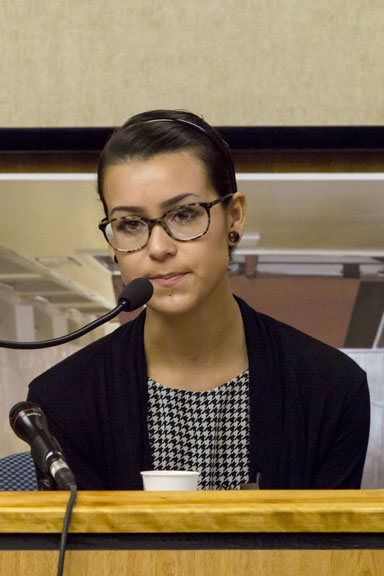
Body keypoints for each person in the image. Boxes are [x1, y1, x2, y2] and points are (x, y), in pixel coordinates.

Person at [27, 109, 370, 490]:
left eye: (184, 214)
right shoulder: (64, 398)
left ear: (234, 218)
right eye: (130, 224)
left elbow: (328, 550)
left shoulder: (330, 388)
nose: (158, 248)